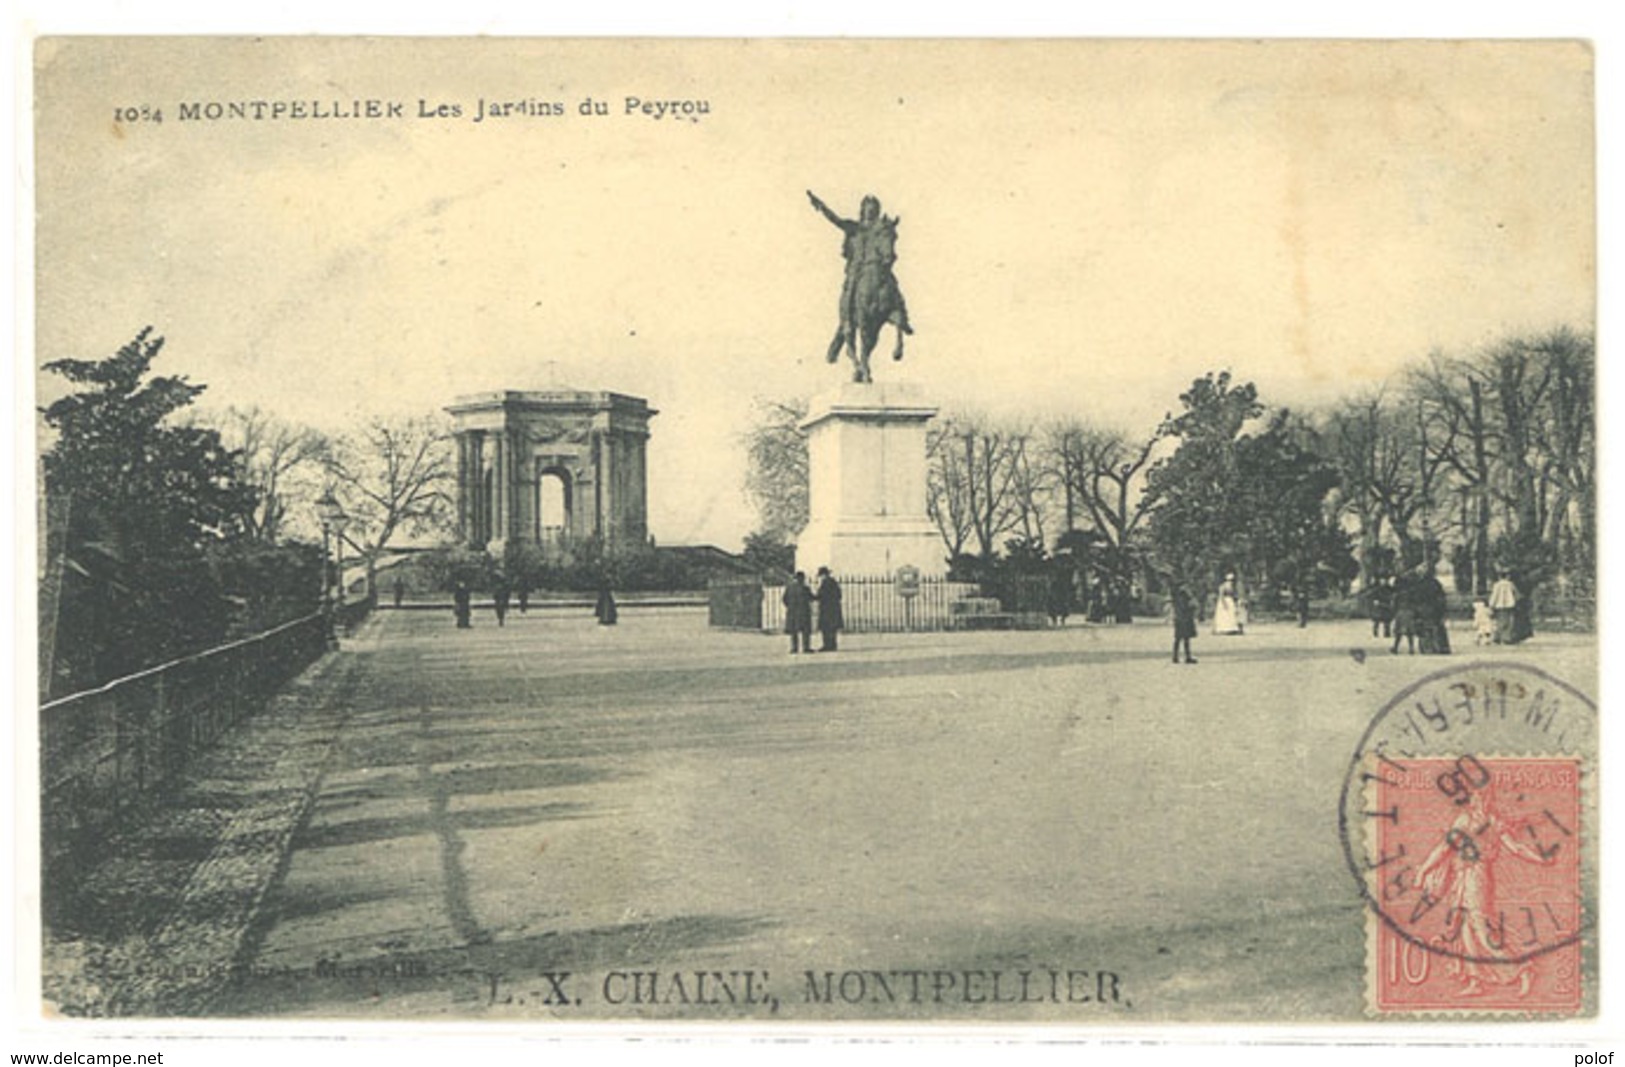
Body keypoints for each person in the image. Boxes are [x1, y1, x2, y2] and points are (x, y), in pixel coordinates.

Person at [1413, 781, 1554, 997]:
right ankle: (1475, 981)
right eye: (1477, 796)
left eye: (1484, 796)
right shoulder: (1466, 820)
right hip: (1463, 876)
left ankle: (1523, 968)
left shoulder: (1491, 822)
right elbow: (1444, 848)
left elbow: (1515, 848)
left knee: (1480, 926)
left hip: (1477, 876)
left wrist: (1540, 859)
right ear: (1472, 799)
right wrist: (1423, 870)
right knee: (1464, 928)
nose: (1480, 800)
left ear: (1488, 799)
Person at [1415, 566, 1451, 655]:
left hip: (1424, 609)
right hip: (1435, 609)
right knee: (1437, 628)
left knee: (1425, 629)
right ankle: (1441, 648)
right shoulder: (1435, 583)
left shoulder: (1419, 584)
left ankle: (1428, 648)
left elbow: (1416, 598)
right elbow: (1441, 597)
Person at [813, 566, 844, 652]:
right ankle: (832, 644)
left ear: (823, 575)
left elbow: (821, 596)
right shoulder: (833, 582)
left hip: (826, 609)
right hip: (834, 608)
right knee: (832, 628)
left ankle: (827, 645)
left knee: (826, 628)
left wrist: (814, 597)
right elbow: (839, 595)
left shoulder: (825, 583)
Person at [782, 571, 813, 653]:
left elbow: (784, 599)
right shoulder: (805, 588)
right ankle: (806, 647)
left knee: (794, 631)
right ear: (802, 578)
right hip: (803, 612)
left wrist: (790, 606)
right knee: (805, 631)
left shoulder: (789, 588)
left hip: (792, 612)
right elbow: (811, 598)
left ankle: (794, 648)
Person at [1390, 571, 1418, 655]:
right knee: (1409, 632)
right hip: (1409, 612)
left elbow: (1394, 604)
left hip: (1401, 612)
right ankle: (1411, 648)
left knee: (1399, 633)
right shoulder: (1412, 592)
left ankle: (1395, 648)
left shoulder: (1397, 594)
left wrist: (1393, 612)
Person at [1170, 585, 1199, 664]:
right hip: (1184, 619)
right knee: (1184, 639)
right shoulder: (1183, 597)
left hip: (1179, 618)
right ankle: (1186, 656)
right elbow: (1185, 607)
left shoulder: (1178, 596)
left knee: (1179, 638)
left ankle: (1176, 656)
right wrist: (1192, 607)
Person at [1489, 570, 1519, 645]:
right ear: (1507, 576)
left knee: (1499, 621)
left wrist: (1491, 604)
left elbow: (1494, 595)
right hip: (1509, 604)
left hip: (1499, 605)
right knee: (1508, 622)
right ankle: (1506, 638)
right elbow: (1515, 594)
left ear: (1499, 577)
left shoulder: (1497, 585)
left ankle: (1497, 637)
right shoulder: (1510, 584)